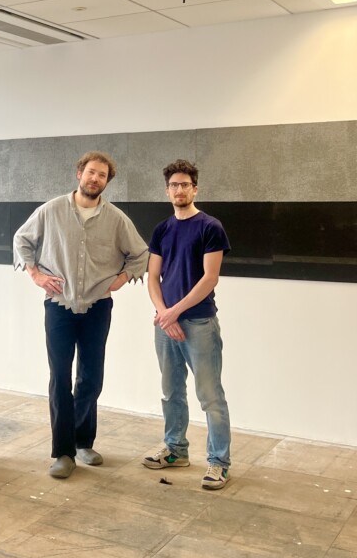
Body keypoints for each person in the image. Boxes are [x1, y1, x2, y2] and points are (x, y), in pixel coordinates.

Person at [13, 151, 148, 479]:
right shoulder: (51, 210)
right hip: (58, 306)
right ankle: (63, 452)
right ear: (79, 173)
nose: (95, 178)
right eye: (91, 172)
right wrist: (36, 276)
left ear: (106, 181)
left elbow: (140, 254)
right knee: (60, 378)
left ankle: (82, 441)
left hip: (97, 308)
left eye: (102, 175)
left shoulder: (116, 219)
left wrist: (119, 281)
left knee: (91, 378)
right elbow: (22, 240)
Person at [143, 159, 232, 490]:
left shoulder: (210, 227)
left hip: (199, 323)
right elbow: (153, 276)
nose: (179, 190)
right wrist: (163, 313)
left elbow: (210, 278)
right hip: (166, 324)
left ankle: (219, 462)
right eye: (173, 185)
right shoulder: (162, 230)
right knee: (171, 392)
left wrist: (173, 312)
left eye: (185, 184)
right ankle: (176, 451)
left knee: (210, 396)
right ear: (167, 191)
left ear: (195, 189)